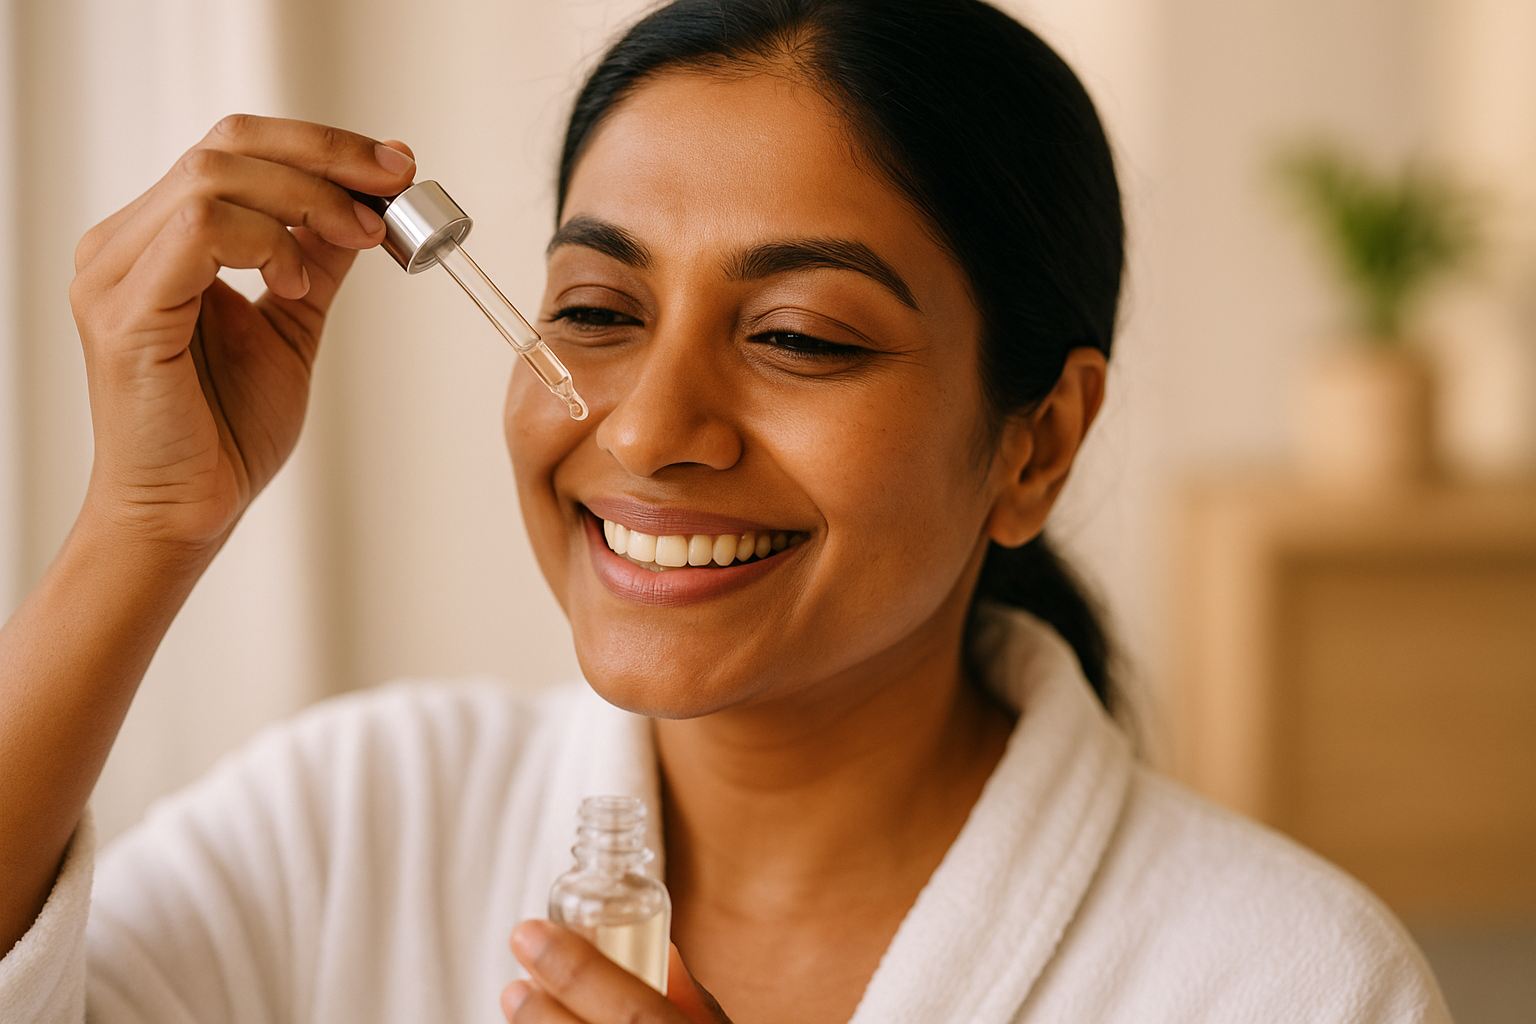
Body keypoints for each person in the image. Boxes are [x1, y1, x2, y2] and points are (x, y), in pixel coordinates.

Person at [0, 1, 1452, 1022]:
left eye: (802, 336)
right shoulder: (354, 828)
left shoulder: (1289, 983)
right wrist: (140, 523)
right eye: (596, 309)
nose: (642, 428)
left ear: (1037, 444)